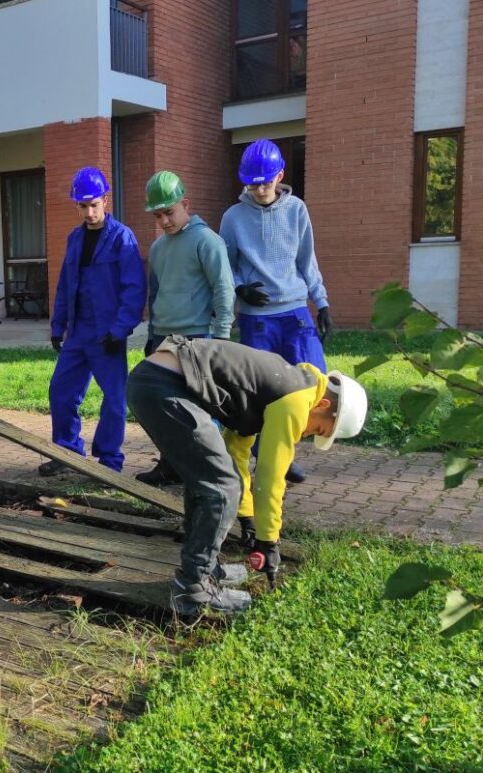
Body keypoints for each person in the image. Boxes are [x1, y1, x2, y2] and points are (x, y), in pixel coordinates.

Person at [126, 335, 367, 615]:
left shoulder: (278, 386)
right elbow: (271, 476)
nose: (308, 434)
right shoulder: (297, 400)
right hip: (164, 386)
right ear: (324, 406)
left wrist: (248, 517)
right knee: (220, 486)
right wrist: (268, 540)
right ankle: (193, 589)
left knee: (210, 480)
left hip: (156, 382)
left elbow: (236, 452)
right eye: (318, 430)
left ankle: (205, 568)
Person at [221, 138, 332, 486]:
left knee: (310, 382)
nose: (258, 189)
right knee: (260, 390)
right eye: (252, 184)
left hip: (295, 311)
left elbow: (307, 261)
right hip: (257, 317)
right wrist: (239, 286)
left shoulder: (297, 210)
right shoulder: (233, 217)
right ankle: (265, 456)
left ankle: (286, 451)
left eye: (265, 182)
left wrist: (322, 302)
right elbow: (226, 264)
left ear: (279, 175)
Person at [39, 167, 147, 476]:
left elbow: (134, 288)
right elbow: (64, 284)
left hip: (107, 334)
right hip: (77, 331)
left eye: (94, 205)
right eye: (83, 206)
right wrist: (58, 326)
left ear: (106, 200)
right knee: (60, 391)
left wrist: (121, 329)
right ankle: (67, 451)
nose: (89, 212)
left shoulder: (122, 238)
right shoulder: (74, 239)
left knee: (114, 398)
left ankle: (110, 460)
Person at [135, 170, 236, 486]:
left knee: (202, 410)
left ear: (185, 203)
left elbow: (223, 290)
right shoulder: (158, 248)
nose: (164, 221)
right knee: (165, 407)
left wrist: (219, 338)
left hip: (197, 337)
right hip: (164, 337)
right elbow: (157, 292)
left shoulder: (207, 241)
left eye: (169, 212)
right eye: (158, 215)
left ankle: (212, 474)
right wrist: (152, 336)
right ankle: (170, 465)